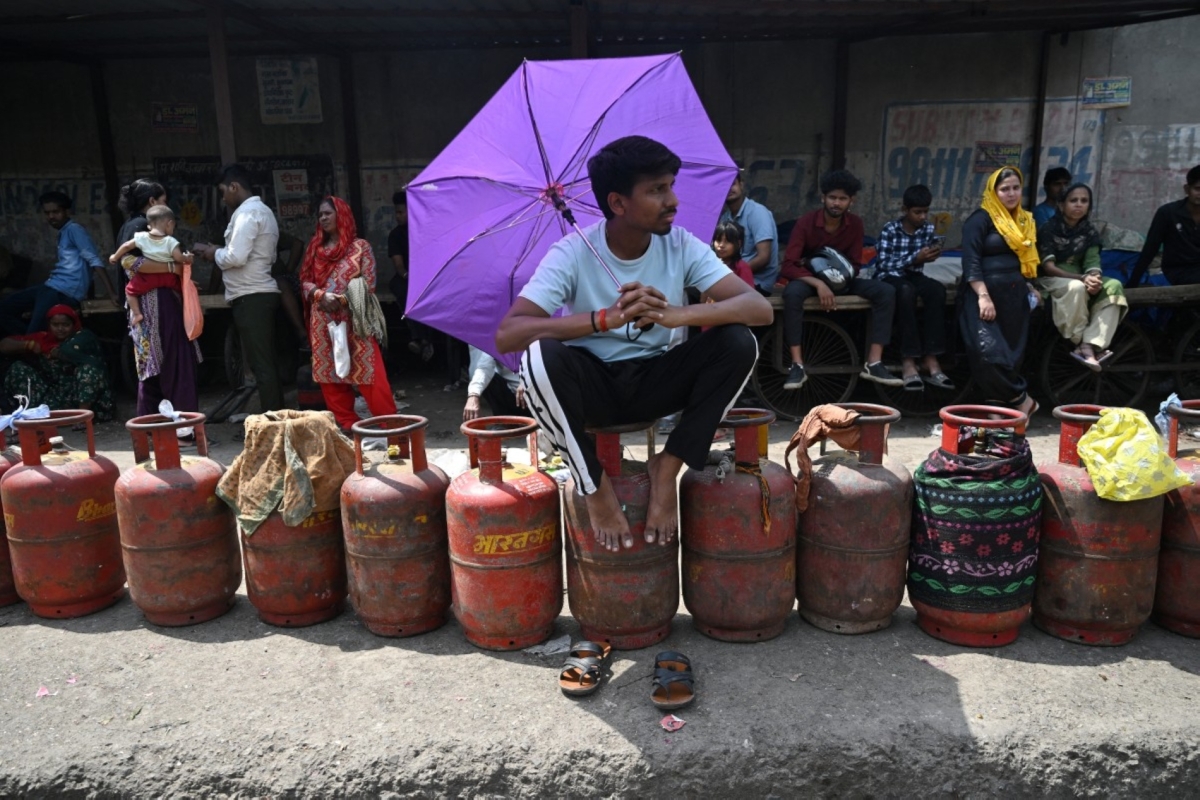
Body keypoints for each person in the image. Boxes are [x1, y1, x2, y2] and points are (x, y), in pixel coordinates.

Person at [496, 135, 772, 552]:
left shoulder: (679, 244)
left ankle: (668, 467)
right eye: (657, 190)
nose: (673, 200)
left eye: (671, 185)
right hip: (594, 386)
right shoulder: (572, 252)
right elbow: (509, 333)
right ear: (618, 203)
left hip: (658, 381)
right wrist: (605, 318)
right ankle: (594, 485)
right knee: (538, 356)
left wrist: (677, 314)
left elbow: (758, 308)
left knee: (738, 341)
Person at [779, 169, 901, 389]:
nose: (836, 203)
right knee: (792, 293)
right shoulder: (806, 223)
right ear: (823, 198)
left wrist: (838, 280)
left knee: (886, 291)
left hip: (844, 280)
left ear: (851, 201)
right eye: (832, 197)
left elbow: (855, 264)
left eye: (842, 199)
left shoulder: (855, 224)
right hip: (810, 280)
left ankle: (874, 362)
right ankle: (797, 365)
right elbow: (788, 264)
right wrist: (819, 283)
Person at [300, 196, 397, 431]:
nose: (323, 218)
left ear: (341, 215)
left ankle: (391, 425)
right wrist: (320, 296)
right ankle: (347, 424)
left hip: (356, 320)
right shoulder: (315, 248)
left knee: (369, 373)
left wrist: (341, 300)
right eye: (320, 214)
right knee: (330, 375)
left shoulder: (360, 247)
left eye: (327, 213)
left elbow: (369, 283)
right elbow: (304, 281)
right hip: (323, 320)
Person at [192, 163, 284, 412]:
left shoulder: (247, 213)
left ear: (234, 187)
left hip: (252, 295)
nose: (223, 198)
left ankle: (272, 422)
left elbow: (235, 257)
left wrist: (213, 252)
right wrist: (217, 251)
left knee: (262, 365)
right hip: (256, 293)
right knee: (265, 362)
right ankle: (274, 418)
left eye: (223, 191)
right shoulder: (260, 211)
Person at [116, 179, 201, 420]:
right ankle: (184, 428)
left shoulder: (128, 226)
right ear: (152, 202)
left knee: (150, 368)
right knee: (177, 363)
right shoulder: (143, 226)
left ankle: (150, 427)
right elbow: (130, 263)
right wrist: (174, 268)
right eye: (164, 203)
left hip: (140, 305)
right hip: (158, 303)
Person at [959, 167, 1040, 417]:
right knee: (987, 352)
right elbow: (970, 261)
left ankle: (997, 407)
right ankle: (1022, 400)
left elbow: (1026, 259)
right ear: (993, 191)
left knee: (1012, 354)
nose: (1011, 193)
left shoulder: (1024, 220)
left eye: (1016, 188)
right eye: (1005, 189)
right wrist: (983, 296)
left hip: (1014, 295)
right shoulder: (980, 220)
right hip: (984, 295)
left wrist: (1031, 286)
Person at [1036, 183, 1128, 370]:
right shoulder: (1048, 229)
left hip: (1080, 277)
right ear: (1061, 205)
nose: (1079, 205)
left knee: (1114, 285)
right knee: (1076, 287)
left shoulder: (1089, 232)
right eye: (1073, 200)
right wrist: (1081, 278)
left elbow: (1092, 262)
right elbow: (1048, 267)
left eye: (1084, 201)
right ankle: (1078, 340)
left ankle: (1091, 343)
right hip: (1052, 280)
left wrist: (1093, 277)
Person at [0, 192, 116, 337]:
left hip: (61, 292)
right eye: (47, 213)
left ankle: (33, 343)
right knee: (4, 310)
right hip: (50, 287)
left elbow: (93, 260)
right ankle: (33, 342)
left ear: (67, 211)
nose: (51, 217)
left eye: (55, 212)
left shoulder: (74, 229)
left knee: (34, 333)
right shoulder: (64, 232)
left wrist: (111, 293)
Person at [873, 185, 954, 391]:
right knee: (905, 292)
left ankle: (931, 357)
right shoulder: (890, 229)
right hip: (889, 277)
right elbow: (883, 265)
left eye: (925, 211)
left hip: (913, 274)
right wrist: (914, 258)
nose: (922, 216)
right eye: (917, 212)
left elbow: (920, 263)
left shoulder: (927, 229)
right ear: (905, 209)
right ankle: (908, 360)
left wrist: (931, 254)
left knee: (937, 290)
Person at [0, 305, 114, 421]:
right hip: (55, 396)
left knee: (89, 370)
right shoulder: (43, 338)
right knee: (18, 368)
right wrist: (28, 345)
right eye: (55, 325)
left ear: (73, 325)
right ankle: (33, 415)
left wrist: (55, 353)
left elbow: (69, 353)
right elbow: (4, 345)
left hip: (81, 395)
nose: (60, 329)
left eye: (65, 325)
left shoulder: (83, 338)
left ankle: (82, 418)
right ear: (49, 325)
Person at [109, 204, 189, 328]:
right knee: (181, 291)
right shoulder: (171, 241)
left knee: (130, 291)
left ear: (148, 226)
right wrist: (187, 258)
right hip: (169, 278)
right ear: (170, 223)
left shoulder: (141, 237)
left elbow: (125, 246)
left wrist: (114, 256)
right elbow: (178, 257)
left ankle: (137, 314)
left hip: (147, 279)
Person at [1126, 164, 1200, 288]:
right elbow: (1150, 249)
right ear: (1187, 189)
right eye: (1197, 189)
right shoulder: (1168, 213)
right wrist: (1133, 282)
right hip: (1177, 272)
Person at [387, 190, 434, 362]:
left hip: (426, 276)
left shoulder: (424, 231)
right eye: (396, 212)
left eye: (401, 212)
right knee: (406, 292)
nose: (397, 216)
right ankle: (421, 339)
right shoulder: (395, 235)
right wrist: (407, 275)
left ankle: (422, 340)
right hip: (407, 278)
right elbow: (398, 265)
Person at [719, 173, 779, 294]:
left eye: (733, 184)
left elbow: (764, 257)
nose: (729, 189)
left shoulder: (757, 212)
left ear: (741, 185)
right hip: (732, 278)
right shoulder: (725, 218)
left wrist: (733, 274)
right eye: (724, 186)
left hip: (757, 282)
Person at [463, 345, 522, 421]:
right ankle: (503, 421)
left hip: (535, 397)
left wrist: (526, 382)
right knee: (486, 379)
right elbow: (484, 368)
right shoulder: (497, 341)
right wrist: (473, 395)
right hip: (512, 395)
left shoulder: (536, 340)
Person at [273, 229, 309, 344]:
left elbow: (298, 244)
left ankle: (302, 334)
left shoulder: (266, 229)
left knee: (282, 284)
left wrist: (288, 270)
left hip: (279, 277)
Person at [712, 220, 756, 289]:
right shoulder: (712, 265)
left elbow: (749, 294)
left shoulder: (742, 267)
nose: (721, 245)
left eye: (727, 242)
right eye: (718, 240)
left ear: (738, 243)